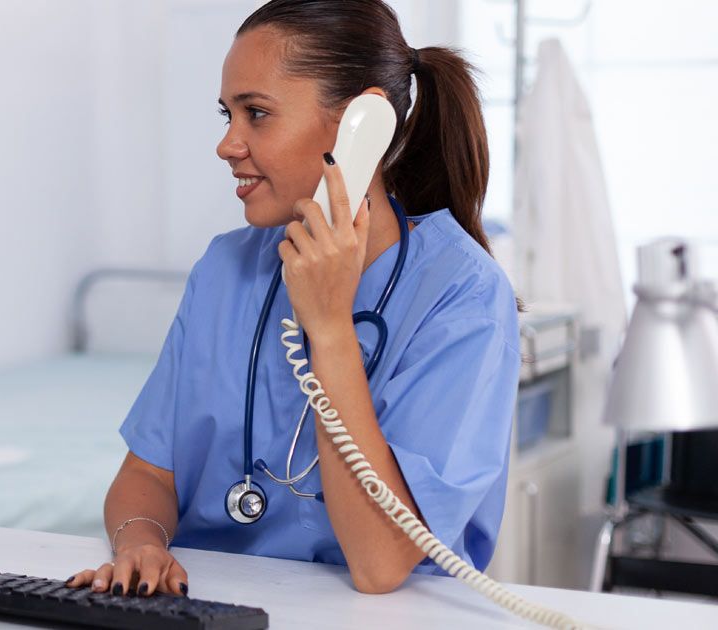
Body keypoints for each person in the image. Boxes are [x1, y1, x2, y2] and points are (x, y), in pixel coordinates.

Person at [67, 0, 519, 597]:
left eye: (256, 114)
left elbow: (380, 564)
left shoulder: (462, 295)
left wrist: (328, 326)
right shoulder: (226, 268)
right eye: (226, 115)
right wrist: (141, 542)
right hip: (209, 605)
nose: (228, 145)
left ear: (362, 125)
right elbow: (148, 473)